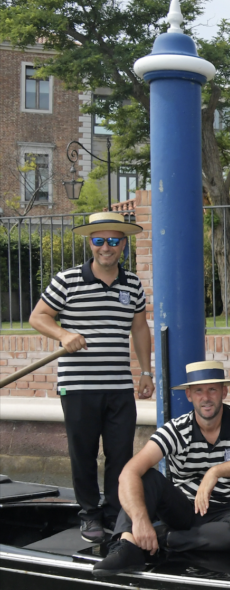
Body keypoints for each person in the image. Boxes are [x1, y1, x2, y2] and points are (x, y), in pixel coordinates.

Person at [28, 211, 154, 543]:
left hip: (118, 386)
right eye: (100, 240)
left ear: (123, 245)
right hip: (79, 386)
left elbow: (139, 328)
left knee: (120, 453)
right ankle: (89, 514)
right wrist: (63, 334)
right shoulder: (67, 279)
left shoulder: (132, 284)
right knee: (82, 452)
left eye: (114, 241)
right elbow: (38, 316)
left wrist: (145, 372)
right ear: (90, 243)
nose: (106, 247)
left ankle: (114, 512)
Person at [92, 361, 230, 575]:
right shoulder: (176, 429)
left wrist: (215, 472)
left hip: (227, 511)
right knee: (145, 478)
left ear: (224, 392)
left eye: (212, 390)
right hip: (183, 509)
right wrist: (141, 520)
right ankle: (126, 545)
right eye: (198, 391)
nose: (206, 398)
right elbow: (129, 472)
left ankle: (161, 538)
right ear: (189, 395)